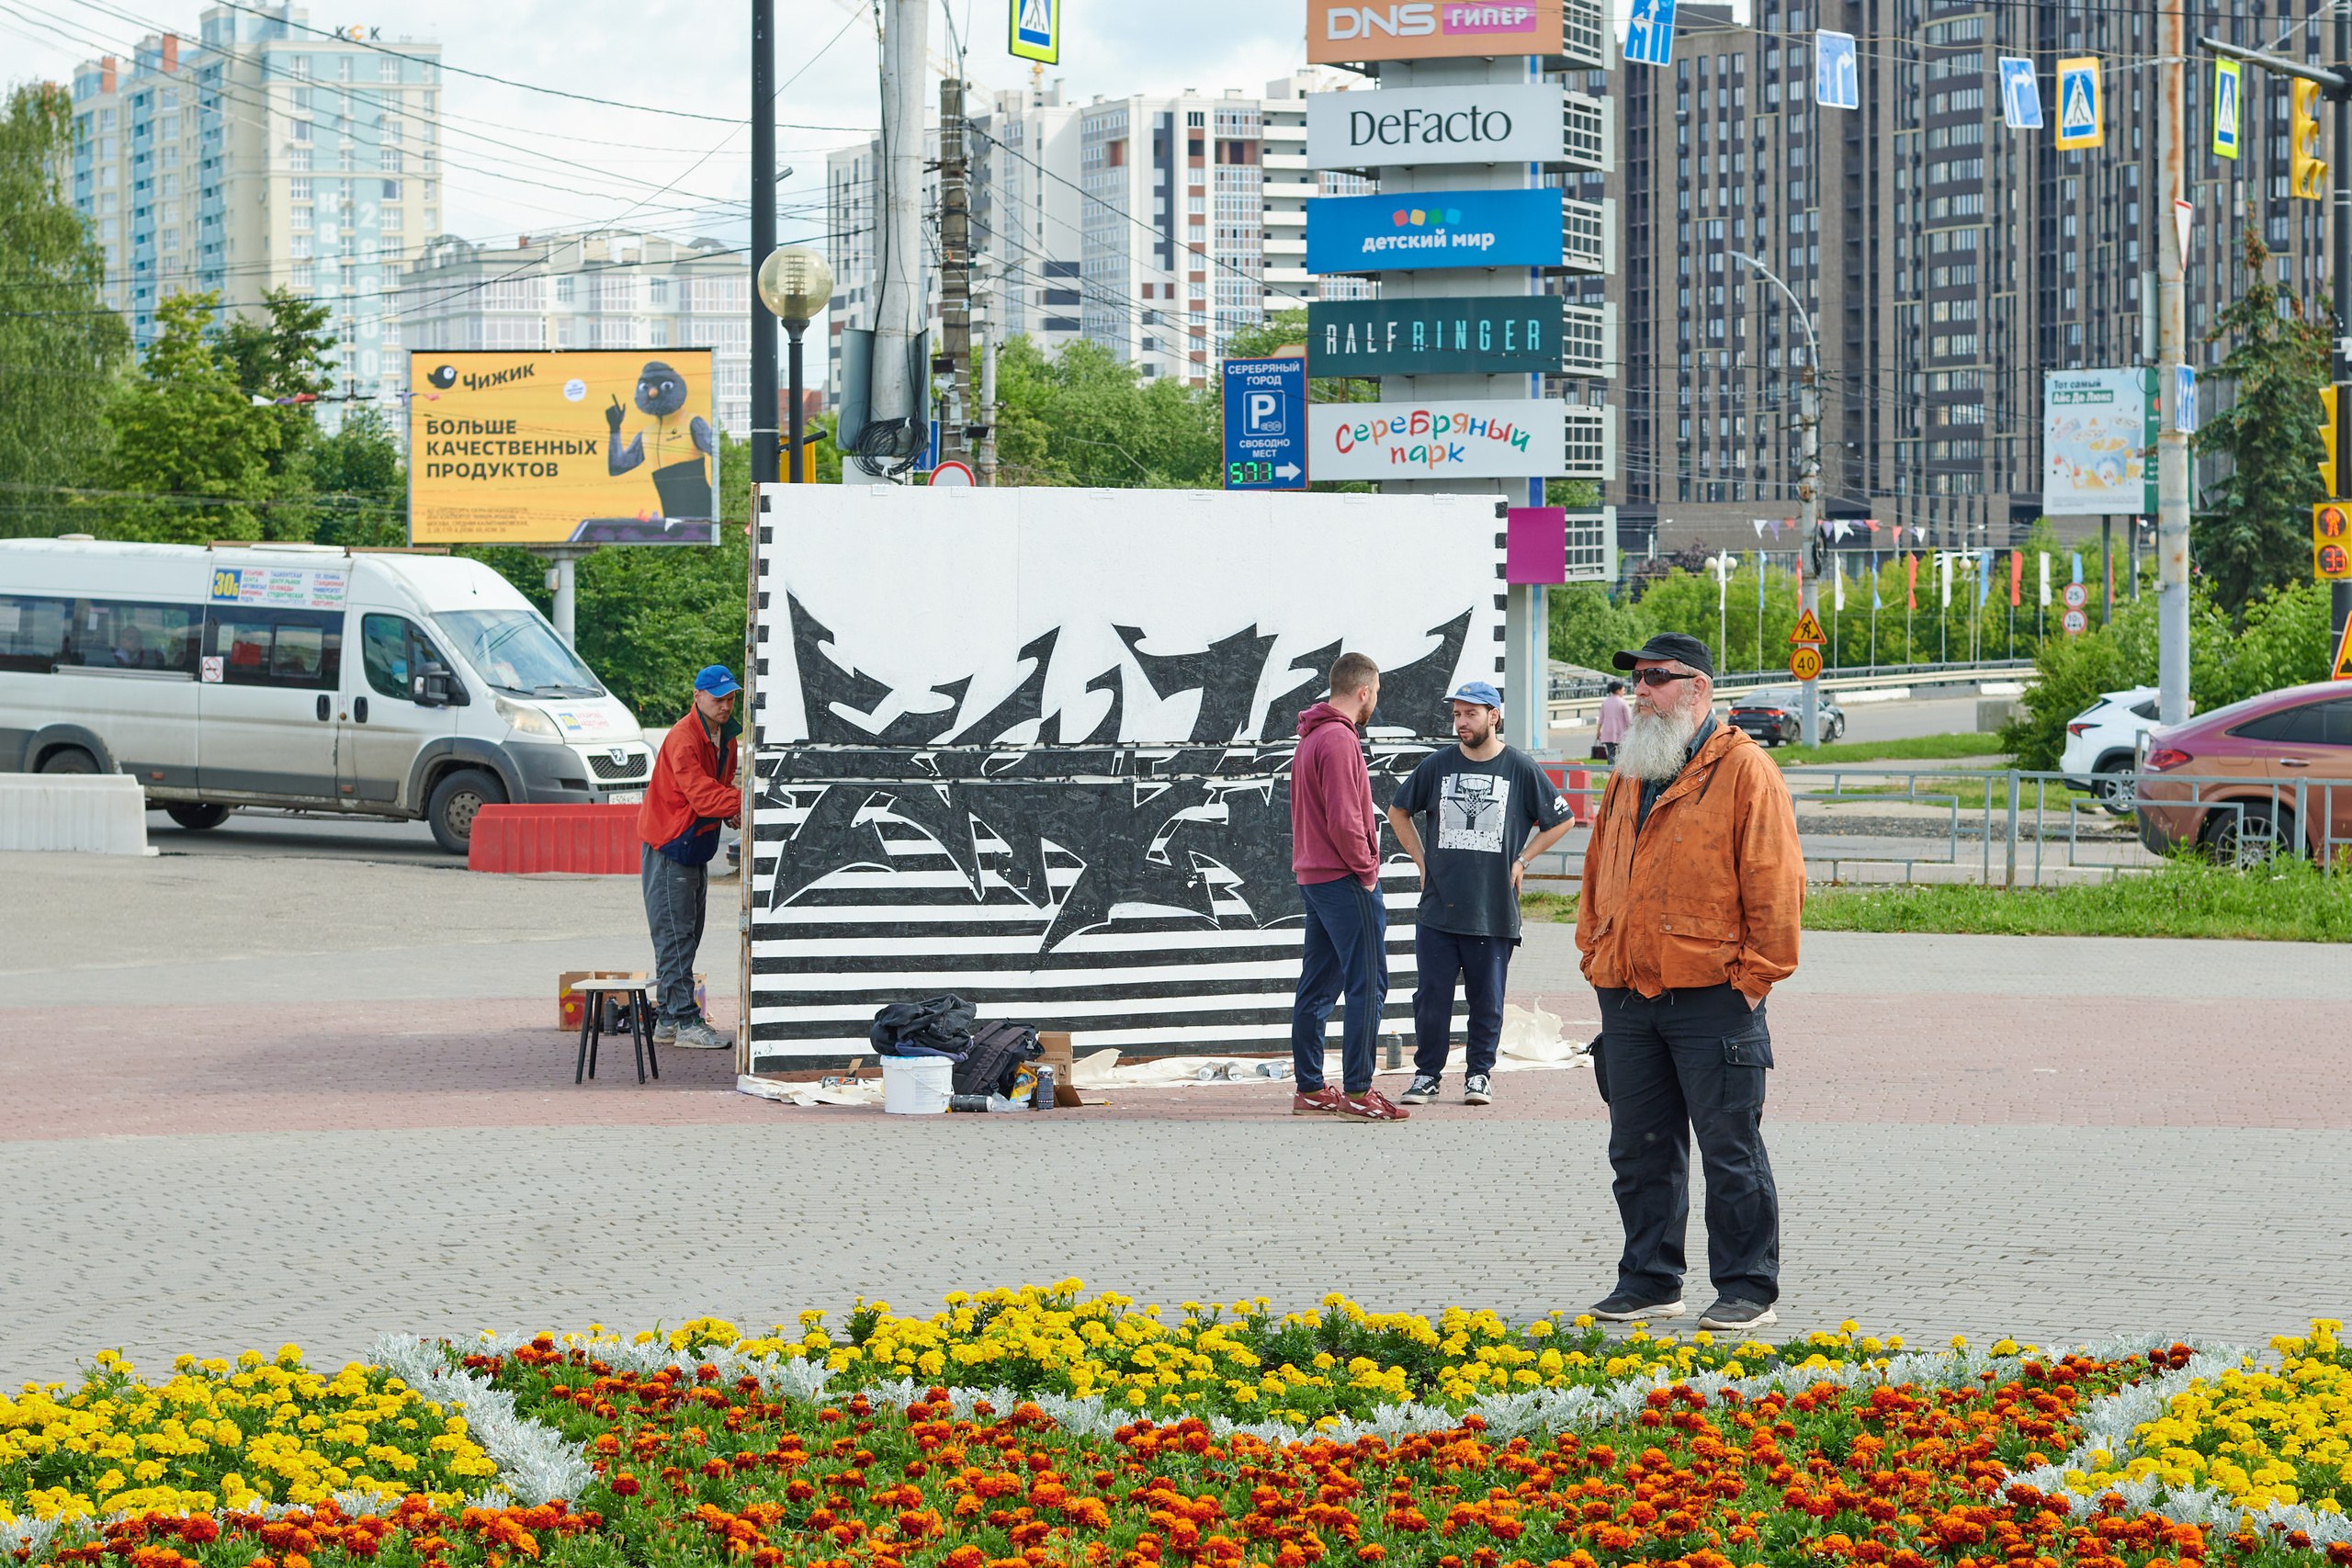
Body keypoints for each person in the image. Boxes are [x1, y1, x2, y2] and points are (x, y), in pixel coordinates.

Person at [1574, 632, 1803, 1332]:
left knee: (1730, 1150)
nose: (1640, 690)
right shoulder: (1630, 770)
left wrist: (1751, 981)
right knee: (1638, 1149)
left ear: (1697, 688)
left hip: (1714, 998)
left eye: (1655, 679)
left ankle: (1746, 1286)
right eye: (1637, 679)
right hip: (1629, 992)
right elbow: (1597, 872)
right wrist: (1595, 952)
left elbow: (1777, 883)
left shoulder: (1745, 770)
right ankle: (1648, 1279)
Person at [1385, 682, 1576, 1107]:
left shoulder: (1520, 768)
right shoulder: (1437, 766)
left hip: (1493, 909)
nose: (1461, 723)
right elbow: (1398, 810)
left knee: (1487, 1001)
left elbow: (1562, 820)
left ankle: (1478, 1075)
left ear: (1494, 716)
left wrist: (1522, 860)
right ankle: (1427, 1075)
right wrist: (1420, 860)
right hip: (1438, 908)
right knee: (1430, 999)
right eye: (1456, 714)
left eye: (1470, 714)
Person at [1289, 651, 1409, 1122]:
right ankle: (1359, 1092)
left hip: (1315, 876)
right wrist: (1368, 869)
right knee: (1369, 983)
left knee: (1318, 985)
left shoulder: (1312, 737)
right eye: (1375, 693)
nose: (1375, 700)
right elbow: (1344, 819)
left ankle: (1311, 1088)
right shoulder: (1339, 740)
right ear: (1363, 691)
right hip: (1344, 878)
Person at [638, 664, 743, 1049]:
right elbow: (702, 794)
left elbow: (717, 788)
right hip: (669, 846)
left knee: (686, 935)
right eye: (719, 699)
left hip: (691, 845)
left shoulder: (725, 738)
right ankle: (684, 1022)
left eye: (731, 698)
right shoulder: (684, 737)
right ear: (698, 697)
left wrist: (730, 805)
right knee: (676, 937)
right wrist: (743, 802)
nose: (726, 706)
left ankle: (668, 1018)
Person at [1595, 679, 1630, 761]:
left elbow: (1601, 719)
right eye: (1623, 690)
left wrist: (1598, 730)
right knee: (1622, 754)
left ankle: (1610, 771)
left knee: (1611, 754)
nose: (1624, 692)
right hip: (1621, 732)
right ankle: (1620, 773)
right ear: (1618, 691)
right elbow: (1629, 720)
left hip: (1607, 732)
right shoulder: (1623, 702)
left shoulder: (1605, 702)